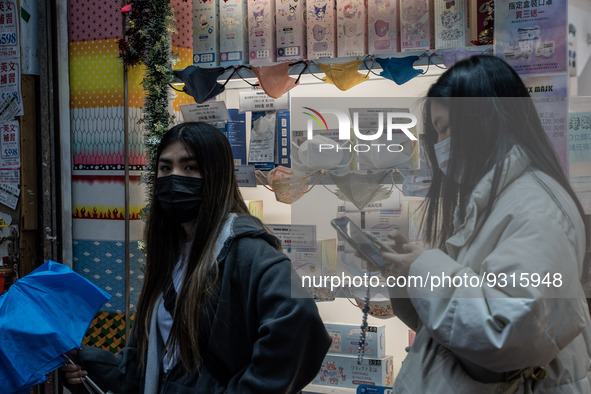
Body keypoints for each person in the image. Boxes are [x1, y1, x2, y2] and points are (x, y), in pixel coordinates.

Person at [60, 122, 331, 393]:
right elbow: (160, 360)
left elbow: (301, 320)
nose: (174, 177)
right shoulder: (173, 253)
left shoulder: (247, 248)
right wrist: (88, 365)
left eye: (190, 167)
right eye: (165, 168)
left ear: (217, 175)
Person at [380, 55, 591, 392]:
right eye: (437, 133)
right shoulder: (496, 199)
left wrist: (425, 268)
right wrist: (408, 276)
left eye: (446, 128)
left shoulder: (535, 207)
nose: (441, 145)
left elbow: (510, 331)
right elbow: (457, 330)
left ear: (484, 120)